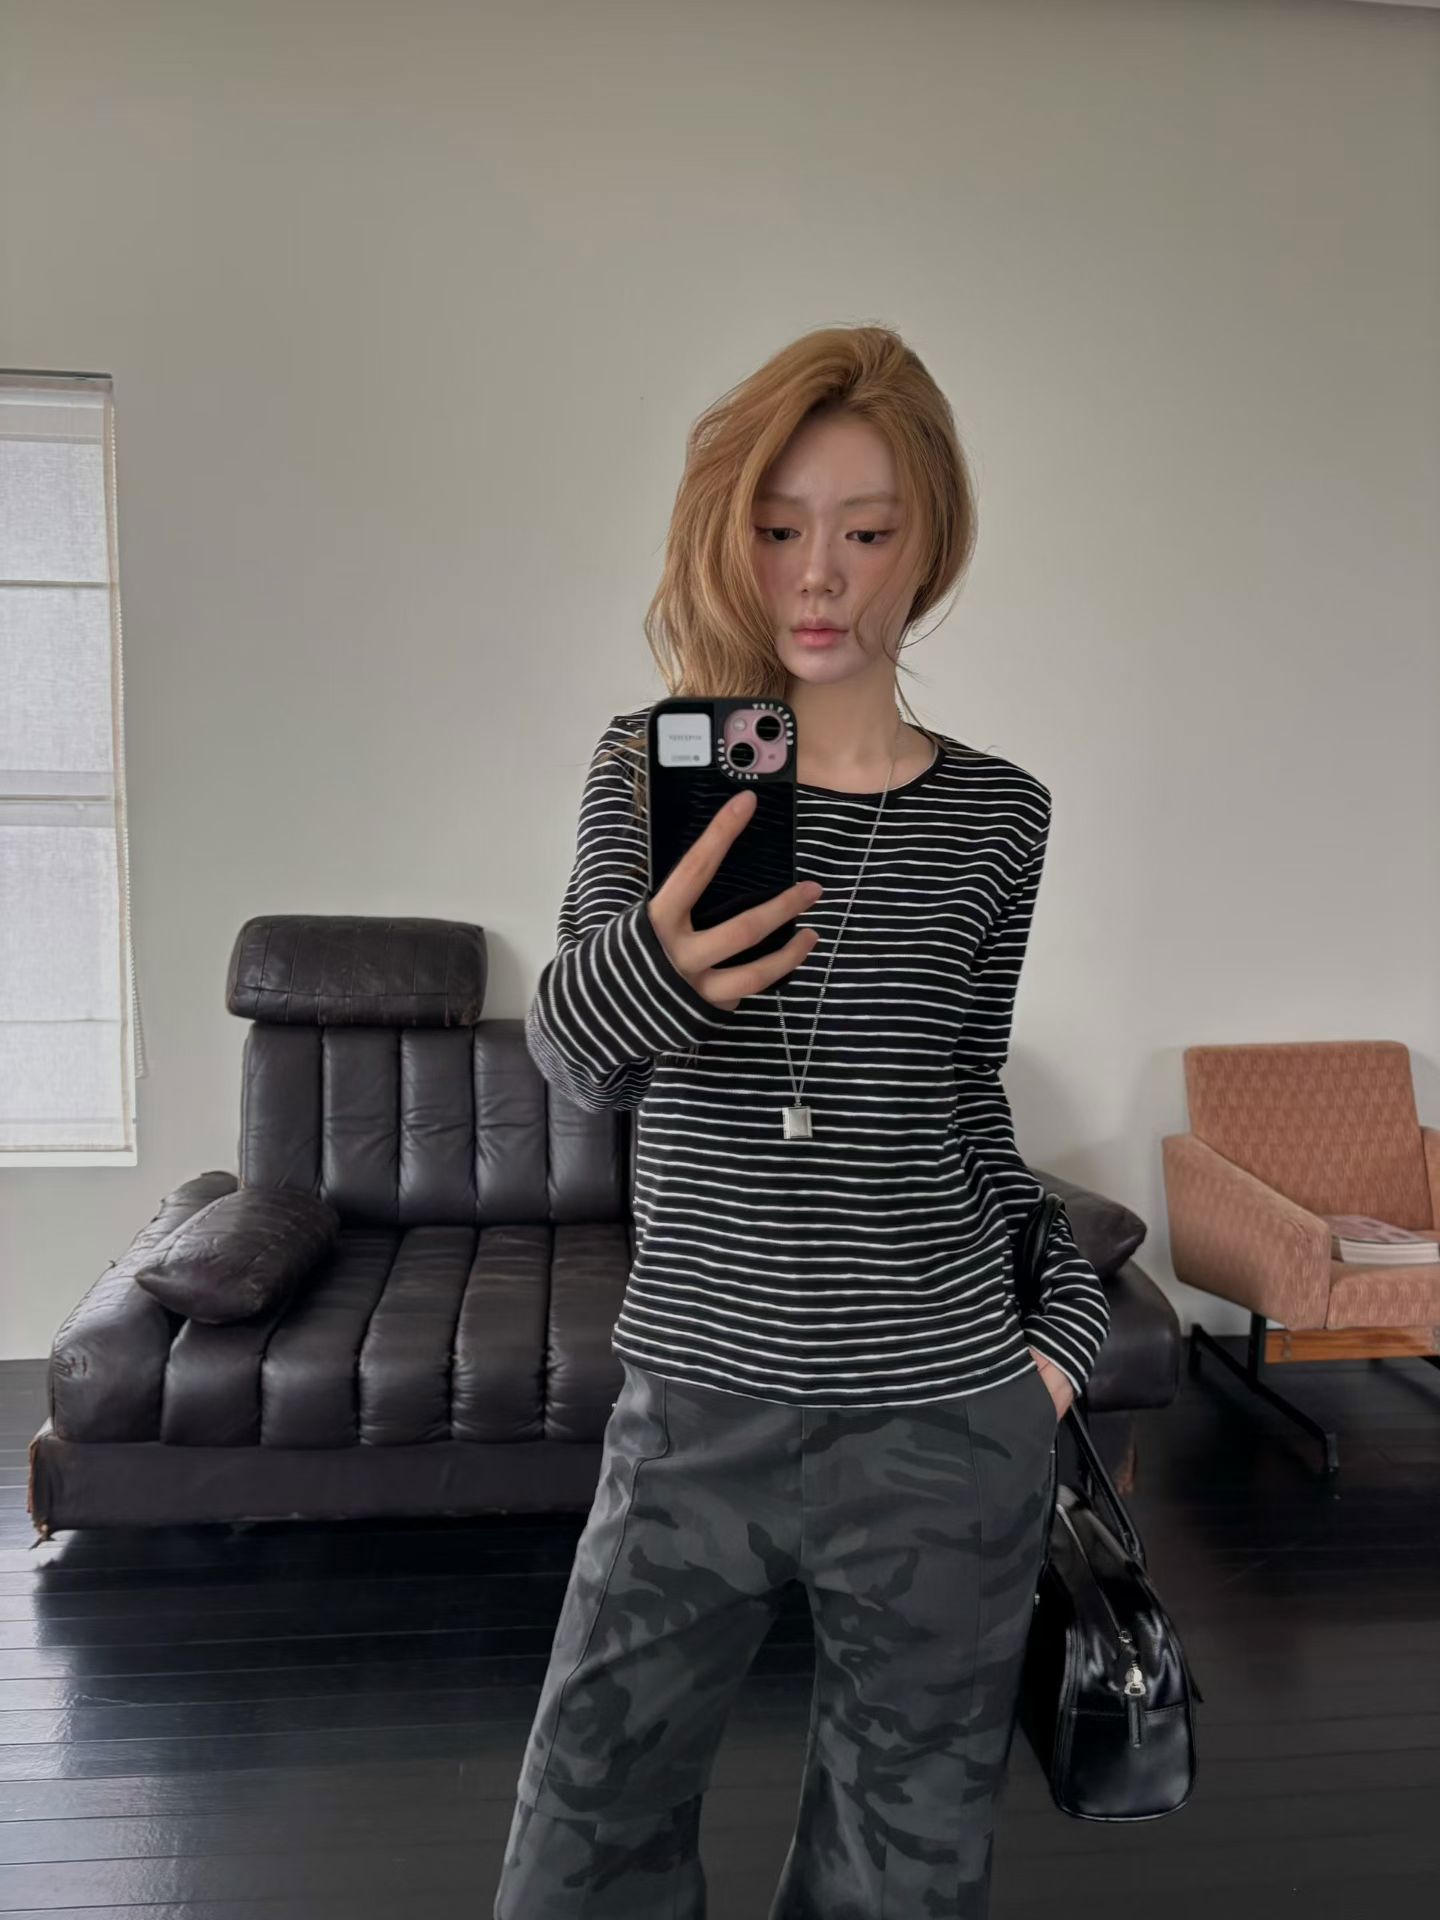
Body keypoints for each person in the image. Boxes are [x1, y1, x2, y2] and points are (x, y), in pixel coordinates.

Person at [493, 324, 1110, 1919]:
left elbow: (967, 1097)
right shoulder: (653, 772)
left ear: (931, 543)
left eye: (867, 530)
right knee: (579, 1851)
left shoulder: (1002, 815)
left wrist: (1061, 1331)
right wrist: (663, 964)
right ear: (730, 534)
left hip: (944, 1425)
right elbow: (571, 1058)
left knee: (901, 1877)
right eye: (778, 528)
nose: (818, 575)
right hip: (695, 1414)